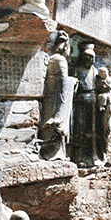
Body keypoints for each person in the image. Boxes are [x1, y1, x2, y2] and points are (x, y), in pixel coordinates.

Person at [39, 31, 76, 160]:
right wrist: (72, 82)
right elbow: (63, 85)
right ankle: (53, 154)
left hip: (49, 97)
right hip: (56, 99)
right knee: (54, 127)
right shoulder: (60, 60)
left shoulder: (51, 58)